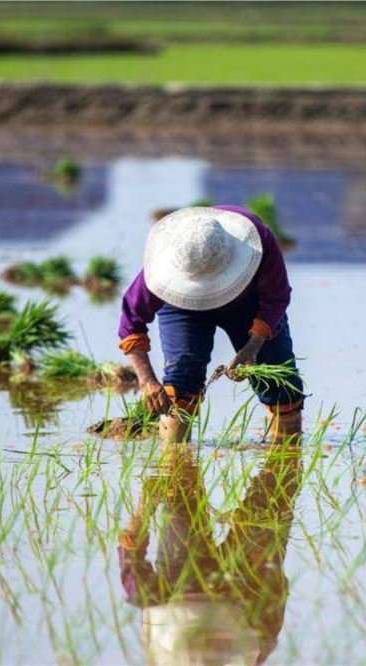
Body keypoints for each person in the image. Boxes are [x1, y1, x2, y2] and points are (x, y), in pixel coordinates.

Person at [118, 205, 303, 443]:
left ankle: (286, 457)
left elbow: (276, 297)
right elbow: (131, 322)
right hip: (183, 306)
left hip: (248, 305)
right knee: (179, 389)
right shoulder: (164, 266)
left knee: (281, 387)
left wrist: (253, 347)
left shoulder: (258, 241)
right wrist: (147, 382)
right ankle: (173, 462)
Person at [119, 442, 302, 665]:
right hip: (239, 589)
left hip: (181, 580)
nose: (206, 593)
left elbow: (131, 565)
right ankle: (286, 435)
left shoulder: (155, 609)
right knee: (273, 494)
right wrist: (261, 539)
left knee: (178, 483)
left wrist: (145, 508)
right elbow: (274, 594)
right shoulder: (255, 644)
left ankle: (176, 433)